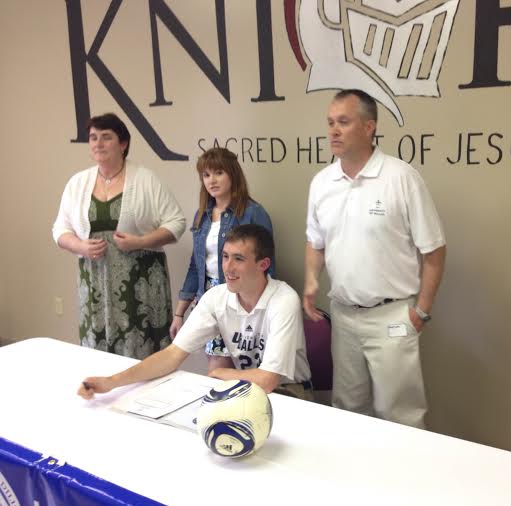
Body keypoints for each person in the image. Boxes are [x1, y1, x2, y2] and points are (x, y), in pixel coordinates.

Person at [304, 89, 446, 429]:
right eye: (330, 123)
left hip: (392, 317)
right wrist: (311, 280)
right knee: (348, 410)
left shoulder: (401, 178)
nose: (333, 131)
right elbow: (315, 242)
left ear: (369, 127)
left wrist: (421, 311)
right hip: (344, 316)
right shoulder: (322, 183)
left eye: (343, 122)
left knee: (400, 415)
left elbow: (434, 250)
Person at [78, 225, 312, 400]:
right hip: (246, 390)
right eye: (225, 257)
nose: (228, 267)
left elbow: (268, 380)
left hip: (290, 393)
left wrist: (221, 372)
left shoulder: (284, 299)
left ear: (263, 264)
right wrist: (112, 382)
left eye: (239, 259)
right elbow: (172, 355)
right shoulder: (216, 298)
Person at [53, 113, 186, 359]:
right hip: (95, 284)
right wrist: (80, 247)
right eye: (93, 138)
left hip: (140, 286)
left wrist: (140, 242)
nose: (98, 143)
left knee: (141, 356)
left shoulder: (145, 179)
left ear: (123, 143)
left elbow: (177, 223)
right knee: (97, 356)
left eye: (106, 137)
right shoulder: (78, 183)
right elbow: (60, 230)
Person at [170, 147, 274, 373]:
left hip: (243, 299)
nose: (212, 180)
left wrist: (261, 311)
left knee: (245, 371)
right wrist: (179, 313)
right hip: (209, 298)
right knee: (217, 371)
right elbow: (196, 266)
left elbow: (266, 267)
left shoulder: (253, 213)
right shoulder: (202, 215)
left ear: (232, 174)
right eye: (206, 175)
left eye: (219, 173)